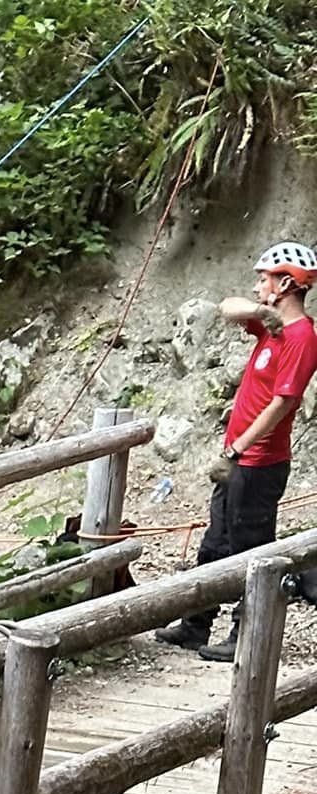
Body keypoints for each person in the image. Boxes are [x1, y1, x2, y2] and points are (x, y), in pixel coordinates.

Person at [157, 242, 317, 662]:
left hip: (259, 463)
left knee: (252, 551)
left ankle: (246, 634)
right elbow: (224, 307)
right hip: (240, 460)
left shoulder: (301, 338)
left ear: (285, 283)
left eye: (263, 279)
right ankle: (196, 625)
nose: (256, 285)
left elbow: (284, 403)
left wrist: (237, 448)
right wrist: (258, 311)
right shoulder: (272, 328)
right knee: (214, 543)